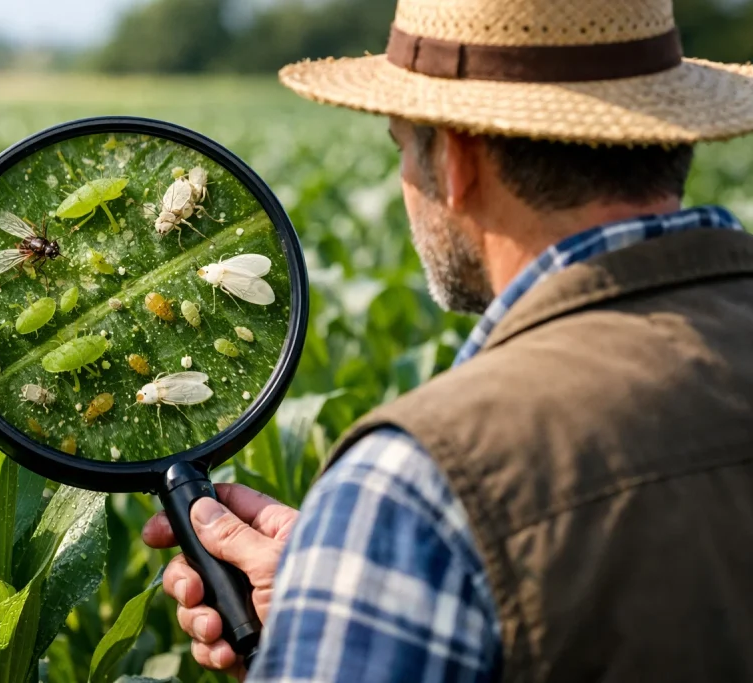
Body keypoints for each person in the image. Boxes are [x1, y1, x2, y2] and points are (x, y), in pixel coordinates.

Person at [144, 0, 753, 680]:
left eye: (403, 144)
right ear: (671, 136)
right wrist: (338, 603)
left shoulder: (418, 487)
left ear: (458, 160)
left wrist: (364, 567)